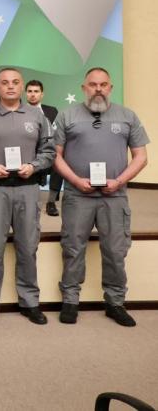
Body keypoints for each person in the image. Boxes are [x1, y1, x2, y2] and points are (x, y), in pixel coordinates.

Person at [53, 68, 149, 327]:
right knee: (73, 248)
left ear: (111, 88)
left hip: (114, 196)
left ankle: (115, 302)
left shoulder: (127, 116)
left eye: (103, 84)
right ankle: (70, 301)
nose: (98, 89)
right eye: (93, 84)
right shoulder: (67, 115)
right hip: (77, 195)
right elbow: (55, 155)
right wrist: (75, 180)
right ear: (84, 87)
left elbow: (141, 157)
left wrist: (119, 181)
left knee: (115, 251)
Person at [0, 68, 54, 326]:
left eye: (15, 82)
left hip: (28, 189)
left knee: (28, 247)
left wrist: (36, 165)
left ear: (22, 87)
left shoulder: (37, 117)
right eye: (5, 83)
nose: (10, 86)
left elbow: (49, 152)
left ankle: (30, 301)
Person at [25, 80, 63, 217]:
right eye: (29, 91)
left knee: (59, 163)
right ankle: (29, 202)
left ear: (42, 94)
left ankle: (51, 202)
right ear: (25, 94)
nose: (33, 95)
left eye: (36, 91)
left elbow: (56, 133)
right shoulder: (20, 110)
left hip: (47, 151)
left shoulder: (52, 111)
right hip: (27, 153)